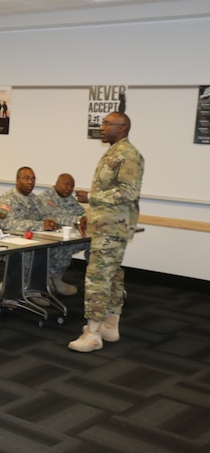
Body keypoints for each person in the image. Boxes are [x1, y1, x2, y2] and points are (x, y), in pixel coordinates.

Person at [69, 112, 144, 353]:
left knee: (98, 278)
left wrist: (91, 198)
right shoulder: (113, 152)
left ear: (122, 128)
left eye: (107, 124)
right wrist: (88, 215)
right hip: (104, 225)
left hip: (113, 228)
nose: (102, 127)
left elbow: (127, 193)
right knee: (111, 276)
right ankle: (110, 326)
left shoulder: (128, 155)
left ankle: (92, 333)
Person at [0, 167, 78, 297]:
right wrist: (40, 225)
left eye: (33, 179)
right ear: (17, 180)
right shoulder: (7, 200)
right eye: (26, 178)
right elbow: (9, 224)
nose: (30, 182)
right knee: (33, 252)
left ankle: (50, 282)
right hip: (8, 241)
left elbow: (46, 215)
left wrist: (50, 222)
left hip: (29, 238)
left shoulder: (34, 199)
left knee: (61, 248)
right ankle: (10, 287)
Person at [38, 173, 88, 296]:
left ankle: (97, 279)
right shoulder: (46, 198)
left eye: (72, 186)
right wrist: (77, 220)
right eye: (66, 184)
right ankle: (52, 280)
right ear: (57, 183)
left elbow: (81, 214)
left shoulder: (70, 199)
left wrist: (84, 219)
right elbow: (53, 218)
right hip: (46, 238)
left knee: (94, 242)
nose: (69, 188)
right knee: (65, 246)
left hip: (66, 237)